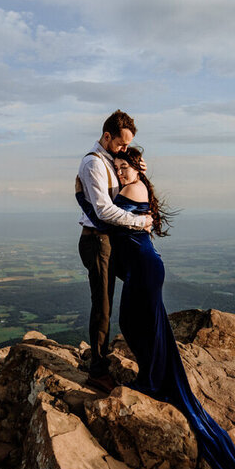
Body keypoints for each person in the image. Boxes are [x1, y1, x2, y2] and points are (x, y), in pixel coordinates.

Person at [76, 147, 235, 469]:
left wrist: (86, 195)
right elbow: (106, 207)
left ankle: (154, 380)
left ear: (138, 170)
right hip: (139, 271)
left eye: (126, 167)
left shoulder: (135, 190)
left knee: (135, 322)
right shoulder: (128, 186)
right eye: (118, 167)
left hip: (144, 269)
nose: (121, 172)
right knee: (135, 324)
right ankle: (153, 375)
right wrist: (87, 193)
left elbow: (106, 216)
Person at [76, 110, 153, 392]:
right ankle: (98, 370)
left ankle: (147, 356)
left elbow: (124, 195)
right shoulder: (94, 164)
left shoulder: (112, 161)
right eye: (121, 144)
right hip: (97, 241)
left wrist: (134, 170)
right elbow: (104, 210)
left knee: (137, 292)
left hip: (111, 241)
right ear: (106, 136)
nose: (125, 148)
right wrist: (139, 222)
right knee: (103, 305)